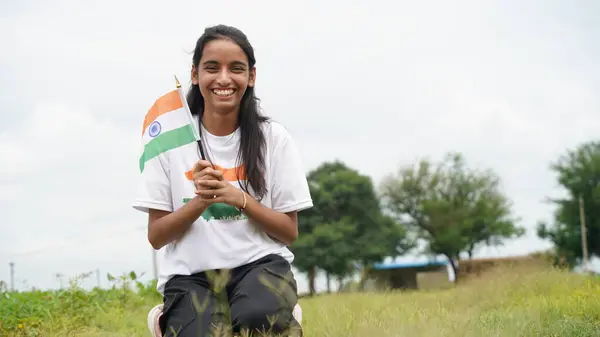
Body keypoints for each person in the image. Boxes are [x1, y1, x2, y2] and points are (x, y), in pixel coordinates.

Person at [133, 24, 313, 336]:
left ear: (251, 77)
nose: (224, 79)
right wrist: (201, 200)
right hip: (190, 275)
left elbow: (288, 231)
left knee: (258, 318)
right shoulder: (169, 141)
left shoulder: (274, 138)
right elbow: (157, 236)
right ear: (195, 74)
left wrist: (238, 198)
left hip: (260, 265)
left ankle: (280, 309)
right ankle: (168, 319)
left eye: (237, 69)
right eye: (212, 68)